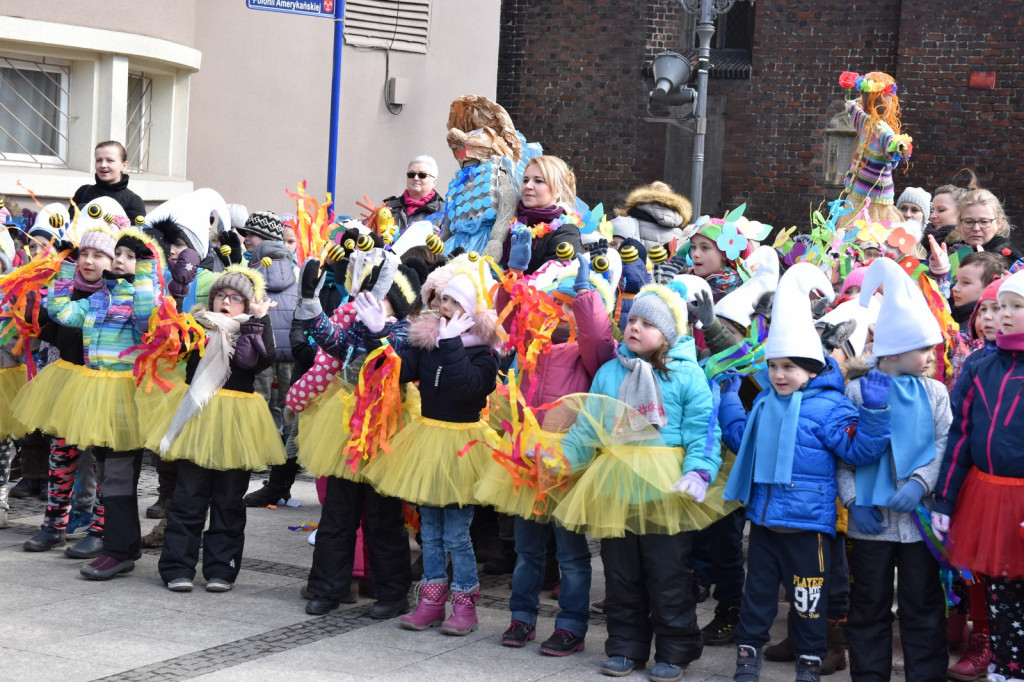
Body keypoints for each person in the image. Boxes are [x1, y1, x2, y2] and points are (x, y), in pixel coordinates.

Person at [720, 264, 891, 682]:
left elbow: (860, 450)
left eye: (790, 368)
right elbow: (742, 441)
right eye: (774, 366)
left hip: (809, 527)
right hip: (763, 522)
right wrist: (727, 399)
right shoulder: (763, 403)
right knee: (757, 597)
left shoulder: (830, 407)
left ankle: (810, 663)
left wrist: (874, 413)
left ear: (813, 370)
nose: (779, 375)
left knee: (809, 600)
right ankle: (747, 662)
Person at [553, 281, 726, 682]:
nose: (635, 328)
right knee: (621, 574)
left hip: (665, 489)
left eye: (648, 323)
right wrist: (562, 458)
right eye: (632, 320)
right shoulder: (612, 372)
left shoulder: (686, 375)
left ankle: (675, 648)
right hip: (617, 484)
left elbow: (703, 430)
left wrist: (699, 471)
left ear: (668, 333)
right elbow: (589, 428)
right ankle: (625, 646)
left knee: (668, 574)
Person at [477, 255, 617, 656]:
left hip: (568, 462)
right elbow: (508, 316)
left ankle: (571, 625)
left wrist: (587, 295)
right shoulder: (534, 349)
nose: (559, 313)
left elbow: (595, 336)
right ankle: (522, 617)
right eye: (555, 304)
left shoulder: (590, 353)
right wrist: (514, 276)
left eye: (568, 306)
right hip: (529, 459)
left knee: (571, 553)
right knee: (527, 549)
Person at [362, 261, 501, 636]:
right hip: (427, 441)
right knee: (431, 532)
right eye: (443, 300)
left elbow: (469, 388)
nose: (445, 308)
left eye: (454, 302)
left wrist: (453, 343)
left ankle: (464, 607)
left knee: (457, 533)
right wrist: (381, 337)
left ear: (472, 311)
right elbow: (400, 371)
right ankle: (431, 601)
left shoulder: (484, 354)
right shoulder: (428, 343)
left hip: (462, 447)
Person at [838, 257, 951, 682]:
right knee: (868, 601)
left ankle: (926, 675)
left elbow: (944, 441)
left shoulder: (936, 392)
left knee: (923, 601)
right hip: (872, 519)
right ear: (896, 350)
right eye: (923, 348)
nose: (929, 356)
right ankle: (869, 675)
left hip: (917, 519)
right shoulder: (855, 390)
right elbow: (843, 451)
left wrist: (922, 481)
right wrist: (852, 497)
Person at [291, 254, 422, 619]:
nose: (364, 301)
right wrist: (311, 306)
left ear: (394, 302)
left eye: (375, 296)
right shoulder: (358, 325)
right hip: (347, 429)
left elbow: (396, 361)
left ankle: (392, 593)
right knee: (337, 514)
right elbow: (336, 343)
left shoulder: (401, 332)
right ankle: (326, 587)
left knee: (383, 518)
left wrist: (380, 331)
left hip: (384, 430)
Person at [145, 266, 284, 592]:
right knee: (188, 496)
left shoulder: (250, 332)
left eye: (236, 298)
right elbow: (171, 341)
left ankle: (222, 568)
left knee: (229, 499)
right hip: (198, 416)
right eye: (222, 295)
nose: (226, 302)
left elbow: (259, 360)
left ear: (247, 304)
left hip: (236, 422)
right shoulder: (196, 326)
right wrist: (176, 295)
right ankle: (178, 567)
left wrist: (258, 320)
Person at [43, 227, 161, 580]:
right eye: (120, 254)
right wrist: (65, 268)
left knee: (121, 478)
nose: (122, 260)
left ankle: (118, 550)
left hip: (125, 400)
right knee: (107, 476)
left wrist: (146, 272)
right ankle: (118, 546)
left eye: (129, 256)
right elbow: (60, 311)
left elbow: (145, 319)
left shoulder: (144, 298)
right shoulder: (98, 299)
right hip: (97, 397)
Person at [933, 268, 1024, 682]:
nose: (1003, 315)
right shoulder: (980, 367)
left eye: (1016, 307)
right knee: (997, 591)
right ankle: (1005, 668)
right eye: (1000, 306)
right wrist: (945, 500)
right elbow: (960, 436)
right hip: (986, 498)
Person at [837, 71, 911, 227]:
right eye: (879, 98)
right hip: (860, 190)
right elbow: (852, 106)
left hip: (874, 197)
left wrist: (901, 147)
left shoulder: (882, 130)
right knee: (855, 232)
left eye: (887, 97)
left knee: (872, 232)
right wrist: (863, 87)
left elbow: (893, 145)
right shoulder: (863, 120)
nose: (885, 102)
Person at [501, 155, 582, 275]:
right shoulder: (509, 217)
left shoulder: (566, 231)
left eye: (538, 181)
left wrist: (517, 272)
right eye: (525, 180)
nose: (528, 186)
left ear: (558, 190)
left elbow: (551, 281)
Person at [70, 141, 146, 225]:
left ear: (124, 165)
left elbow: (135, 235)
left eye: (110, 160)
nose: (103, 165)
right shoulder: (83, 192)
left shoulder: (133, 201)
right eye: (99, 160)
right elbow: (68, 226)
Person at [951, 188, 1020, 266]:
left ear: (999, 223)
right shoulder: (953, 253)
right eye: (968, 222)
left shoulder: (1010, 261)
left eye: (984, 222)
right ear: (959, 223)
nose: (976, 228)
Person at [383, 155, 445, 233]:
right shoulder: (389, 206)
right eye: (411, 175)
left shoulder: (445, 211)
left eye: (422, 175)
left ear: (434, 182)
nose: (415, 178)